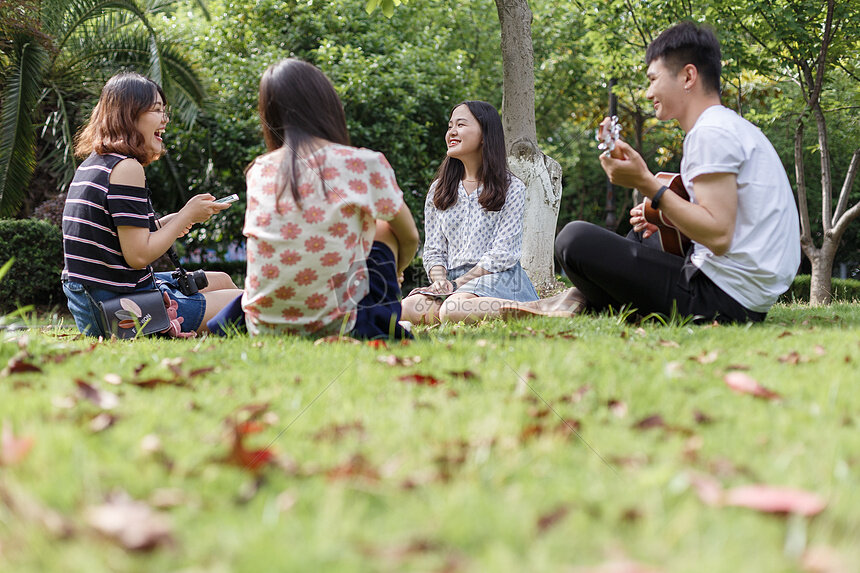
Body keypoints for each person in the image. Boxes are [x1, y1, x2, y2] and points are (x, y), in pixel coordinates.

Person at [553, 21, 800, 323]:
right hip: (741, 294)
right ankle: (587, 301)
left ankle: (587, 302)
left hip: (721, 299)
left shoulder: (710, 133)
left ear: (688, 76)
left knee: (573, 239)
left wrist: (648, 185)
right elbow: (731, 224)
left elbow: (719, 235)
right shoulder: (730, 126)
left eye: (653, 79)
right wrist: (668, 219)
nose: (648, 93)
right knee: (644, 235)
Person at [239, 58, 419, 338]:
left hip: (262, 326)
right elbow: (410, 237)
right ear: (327, 105)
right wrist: (397, 271)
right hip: (340, 324)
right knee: (385, 228)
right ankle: (380, 320)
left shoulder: (259, 169)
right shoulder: (363, 163)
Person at [62, 72, 243, 337]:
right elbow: (138, 256)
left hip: (96, 300)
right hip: (118, 310)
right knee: (242, 302)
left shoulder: (95, 163)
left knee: (223, 280)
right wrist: (185, 216)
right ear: (129, 115)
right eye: (157, 110)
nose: (165, 119)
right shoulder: (127, 169)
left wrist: (174, 220)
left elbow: (120, 237)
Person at [400, 100, 545, 325]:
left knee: (453, 309)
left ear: (485, 135)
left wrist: (458, 284)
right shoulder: (439, 189)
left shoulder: (512, 188)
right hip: (453, 283)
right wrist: (440, 281)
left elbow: (503, 254)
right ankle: (457, 305)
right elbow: (434, 250)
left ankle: (538, 308)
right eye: (450, 126)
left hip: (498, 277)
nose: (452, 132)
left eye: (461, 125)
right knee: (406, 308)